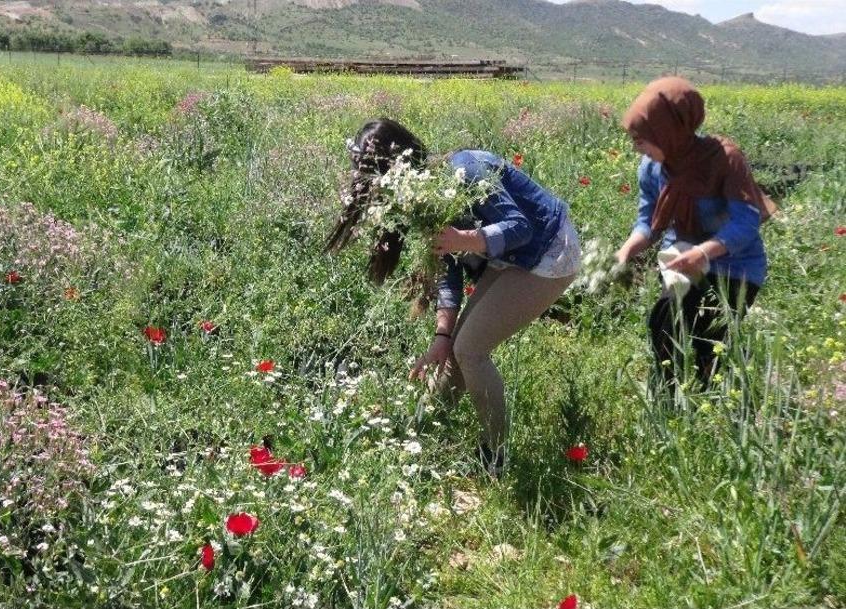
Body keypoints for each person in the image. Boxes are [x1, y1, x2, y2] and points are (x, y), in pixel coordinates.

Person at [326, 119, 581, 472]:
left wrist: (465, 240)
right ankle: (424, 434)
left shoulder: (465, 170)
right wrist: (441, 335)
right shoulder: (425, 200)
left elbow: (519, 226)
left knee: (471, 350)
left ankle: (496, 457)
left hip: (550, 250)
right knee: (456, 345)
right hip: (513, 255)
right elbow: (448, 269)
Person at [613, 77, 776, 390]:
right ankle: (668, 400)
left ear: (669, 132)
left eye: (642, 139)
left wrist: (702, 253)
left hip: (735, 266)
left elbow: (745, 222)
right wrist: (627, 249)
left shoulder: (723, 159)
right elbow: (647, 220)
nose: (636, 147)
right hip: (680, 257)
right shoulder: (651, 168)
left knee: (709, 341)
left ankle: (714, 405)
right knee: (664, 326)